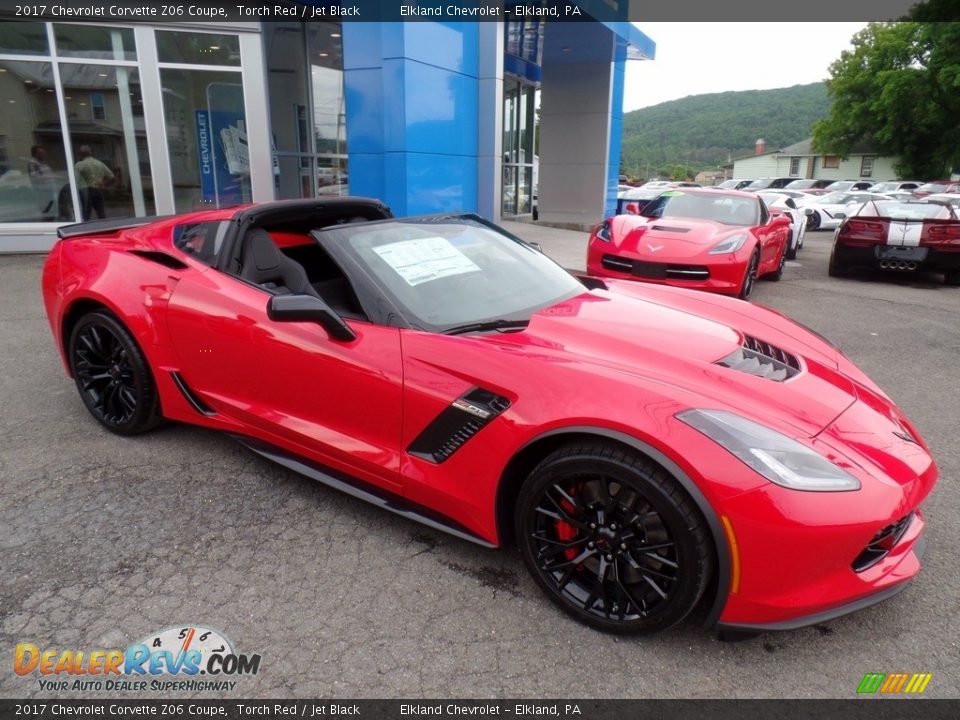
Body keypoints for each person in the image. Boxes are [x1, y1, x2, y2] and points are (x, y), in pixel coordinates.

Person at [74, 145, 114, 220]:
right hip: (98, 190)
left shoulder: (80, 165)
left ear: (81, 154)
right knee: (101, 214)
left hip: (85, 192)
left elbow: (74, 179)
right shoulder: (100, 164)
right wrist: (103, 183)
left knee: (85, 214)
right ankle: (105, 229)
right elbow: (112, 177)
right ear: (91, 153)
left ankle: (84, 229)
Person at [28, 145, 56, 216]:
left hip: (49, 190)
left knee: (52, 211)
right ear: (35, 154)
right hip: (42, 192)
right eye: (40, 153)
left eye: (44, 152)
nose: (43, 154)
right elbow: (36, 177)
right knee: (47, 212)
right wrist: (50, 177)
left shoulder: (43, 163)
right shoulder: (33, 164)